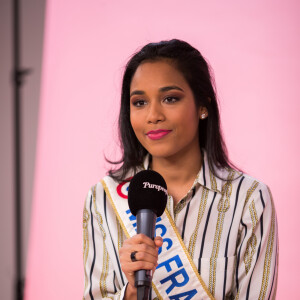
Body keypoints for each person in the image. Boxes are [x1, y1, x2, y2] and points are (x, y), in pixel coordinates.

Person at [82, 39, 278, 300]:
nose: (153, 115)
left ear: (203, 105)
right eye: (139, 102)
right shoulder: (103, 199)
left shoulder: (249, 199)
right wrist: (130, 292)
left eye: (170, 98)